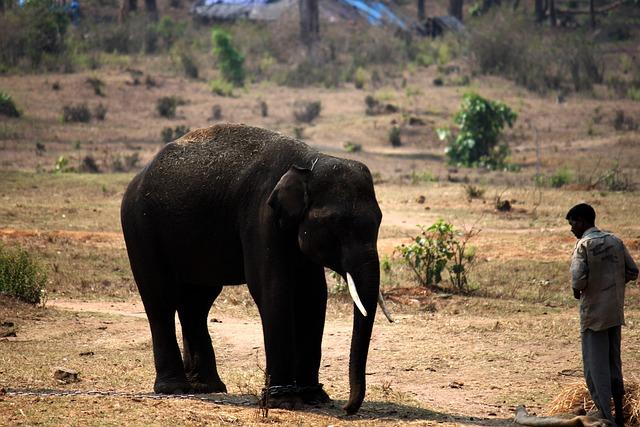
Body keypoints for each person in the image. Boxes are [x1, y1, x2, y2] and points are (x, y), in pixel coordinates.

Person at [567, 203, 638, 427]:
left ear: (584, 221)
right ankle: (619, 414)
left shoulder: (584, 245)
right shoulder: (615, 241)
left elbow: (578, 280)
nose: (572, 229)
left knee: (595, 368)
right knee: (614, 364)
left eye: (574, 223)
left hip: (593, 316)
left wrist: (579, 290)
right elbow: (632, 271)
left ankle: (606, 417)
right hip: (614, 313)